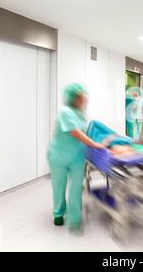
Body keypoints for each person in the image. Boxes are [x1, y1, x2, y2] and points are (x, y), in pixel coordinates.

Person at [47, 83, 105, 230]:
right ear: (73, 98)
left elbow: (85, 133)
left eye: (85, 97)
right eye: (81, 97)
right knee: (59, 186)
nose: (85, 100)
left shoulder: (81, 114)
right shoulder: (65, 112)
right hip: (58, 155)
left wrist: (103, 141)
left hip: (77, 156)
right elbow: (75, 132)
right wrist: (94, 144)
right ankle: (58, 214)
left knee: (76, 187)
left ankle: (74, 216)